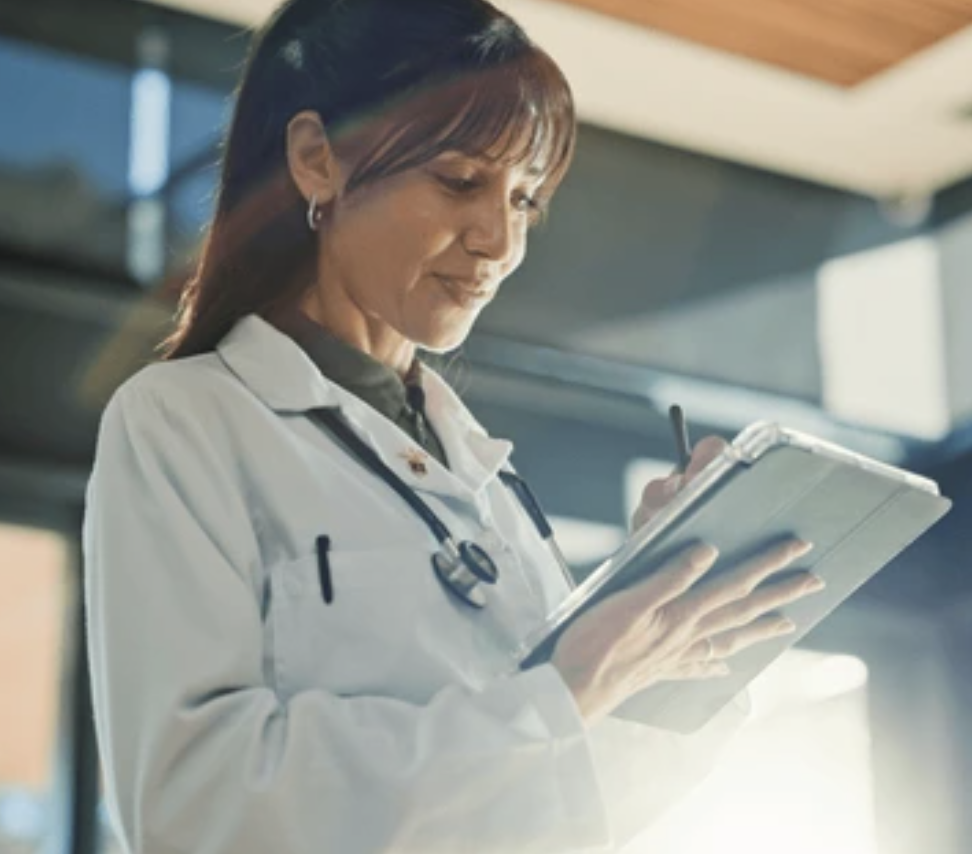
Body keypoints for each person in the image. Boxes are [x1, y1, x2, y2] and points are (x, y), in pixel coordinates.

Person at [83, 1, 824, 851]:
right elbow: (195, 812)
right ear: (317, 159)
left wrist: (652, 607)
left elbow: (589, 807)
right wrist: (563, 690)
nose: (500, 240)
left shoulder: (483, 474)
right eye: (461, 181)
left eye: (525, 197)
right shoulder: (185, 421)